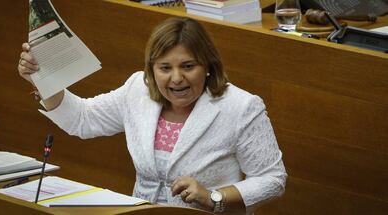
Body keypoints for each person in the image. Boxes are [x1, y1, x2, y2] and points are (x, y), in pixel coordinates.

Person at [17, 17, 287, 214]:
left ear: (208, 66)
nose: (177, 78)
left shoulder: (241, 106)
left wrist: (214, 197)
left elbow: (273, 179)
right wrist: (42, 78)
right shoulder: (138, 89)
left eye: (188, 66)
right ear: (151, 70)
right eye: (165, 68)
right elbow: (83, 120)